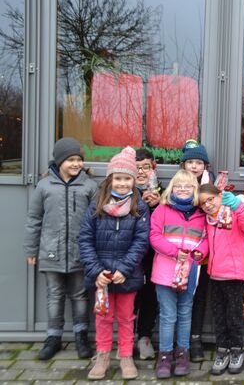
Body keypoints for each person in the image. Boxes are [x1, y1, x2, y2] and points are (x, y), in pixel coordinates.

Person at [23, 137, 97, 360]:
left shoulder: (90, 186)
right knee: (54, 295)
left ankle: (81, 336)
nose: (76, 164)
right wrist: (31, 250)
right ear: (59, 161)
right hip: (51, 250)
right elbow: (34, 219)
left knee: (80, 294)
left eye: (79, 160)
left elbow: (96, 220)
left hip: (80, 252)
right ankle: (53, 337)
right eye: (71, 160)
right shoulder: (45, 186)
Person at [79, 146, 149, 380]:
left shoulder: (139, 207)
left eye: (127, 179)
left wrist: (125, 269)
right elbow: (85, 239)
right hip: (101, 276)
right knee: (103, 316)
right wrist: (96, 270)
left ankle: (126, 356)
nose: (122, 183)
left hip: (127, 275)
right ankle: (103, 355)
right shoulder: (97, 205)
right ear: (110, 179)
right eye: (118, 178)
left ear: (133, 180)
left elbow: (141, 241)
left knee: (127, 317)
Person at [198, 184, 244, 375]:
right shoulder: (209, 220)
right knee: (219, 317)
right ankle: (222, 350)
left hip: (234, 275)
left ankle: (236, 350)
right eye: (203, 203)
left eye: (211, 199)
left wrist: (237, 206)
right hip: (215, 275)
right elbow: (207, 242)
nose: (207, 205)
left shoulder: (234, 214)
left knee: (233, 317)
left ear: (220, 196)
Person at [149, 170, 205, 379]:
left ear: (195, 190)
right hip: (165, 272)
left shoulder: (201, 213)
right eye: (178, 186)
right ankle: (164, 355)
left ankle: (183, 353)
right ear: (171, 189)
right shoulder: (162, 210)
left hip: (189, 273)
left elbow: (205, 238)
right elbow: (154, 235)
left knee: (184, 314)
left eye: (188, 186)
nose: (183, 189)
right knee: (168, 315)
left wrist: (201, 252)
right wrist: (174, 252)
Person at [180, 139, 214, 362]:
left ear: (205, 166)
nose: (194, 166)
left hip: (203, 251)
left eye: (198, 162)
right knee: (180, 295)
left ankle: (195, 338)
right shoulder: (177, 187)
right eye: (190, 162)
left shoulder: (211, 188)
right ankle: (179, 341)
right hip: (180, 252)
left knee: (200, 295)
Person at [133, 148, 162, 360]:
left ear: (154, 167)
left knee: (150, 295)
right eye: (137, 167)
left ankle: (144, 336)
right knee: (130, 295)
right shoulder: (125, 188)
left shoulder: (162, 191)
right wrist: (141, 203)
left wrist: (158, 204)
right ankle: (126, 338)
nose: (142, 171)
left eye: (146, 167)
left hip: (154, 254)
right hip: (131, 253)